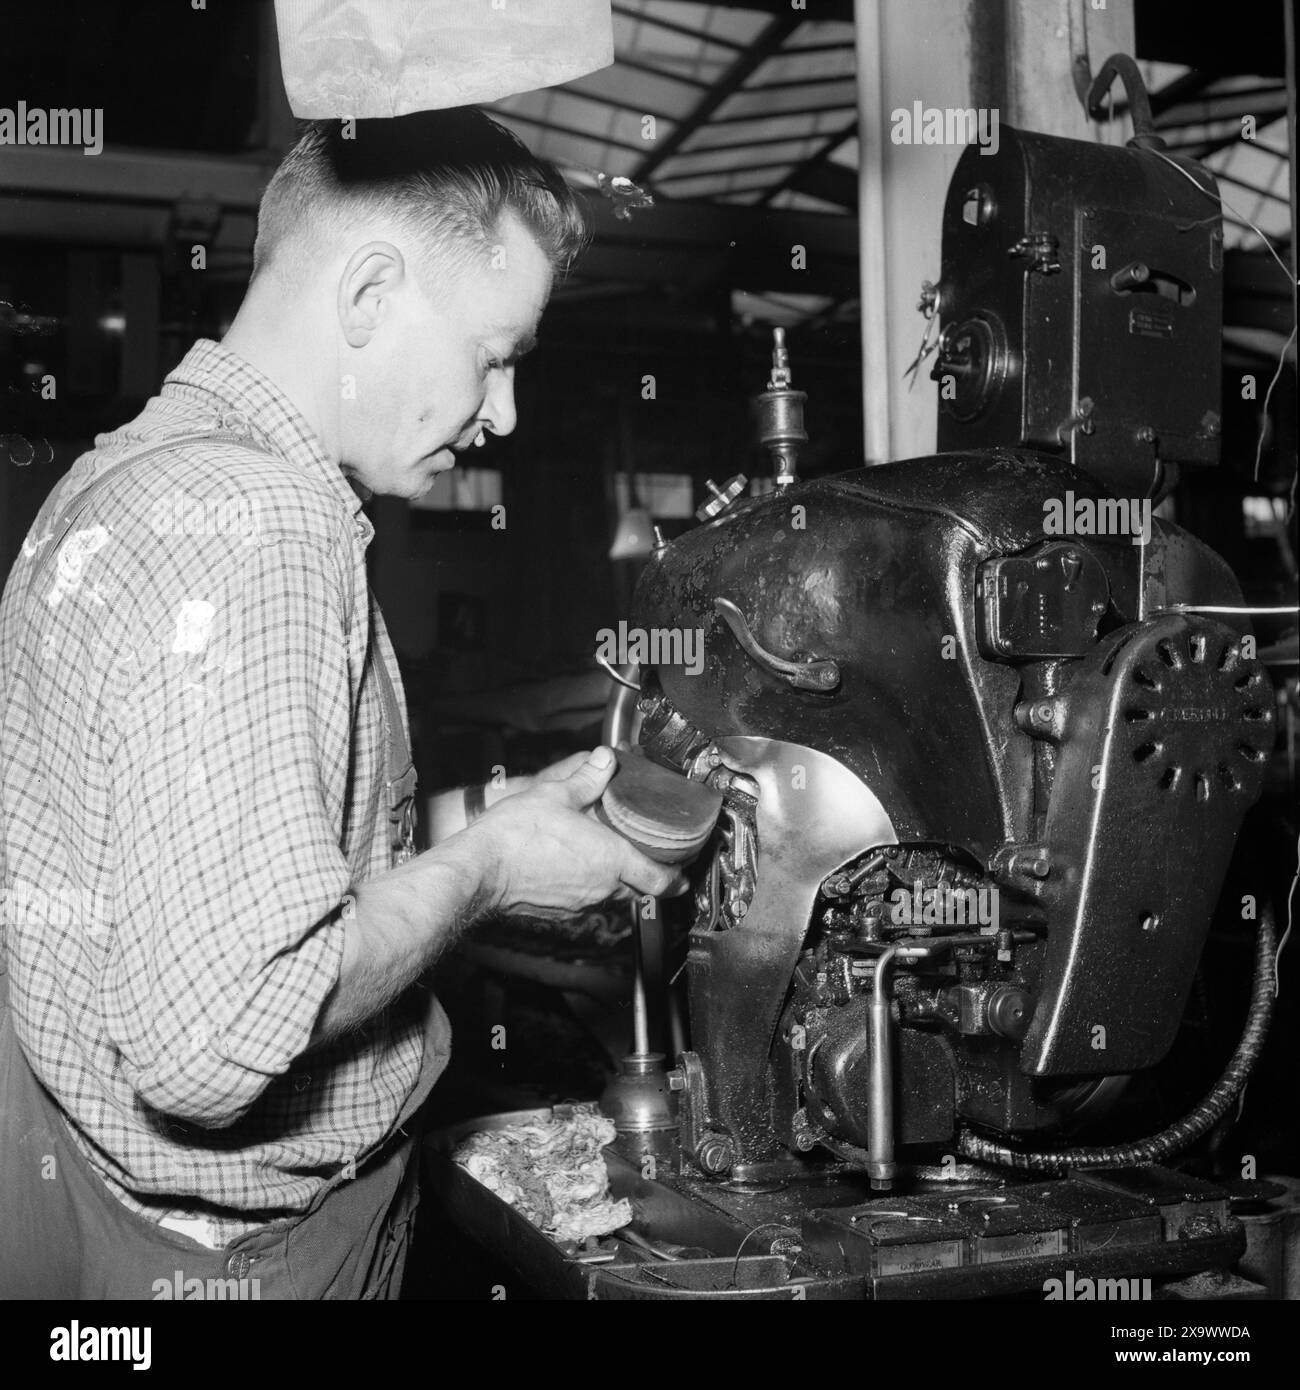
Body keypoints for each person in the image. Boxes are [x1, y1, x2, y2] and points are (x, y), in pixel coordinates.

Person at [0, 109, 680, 1299]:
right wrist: (489, 875)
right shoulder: (264, 528)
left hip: (78, 1195)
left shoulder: (117, 475)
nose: (504, 413)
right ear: (369, 294)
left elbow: (209, 871)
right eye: (495, 352)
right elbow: (216, 1038)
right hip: (238, 1261)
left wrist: (476, 817)